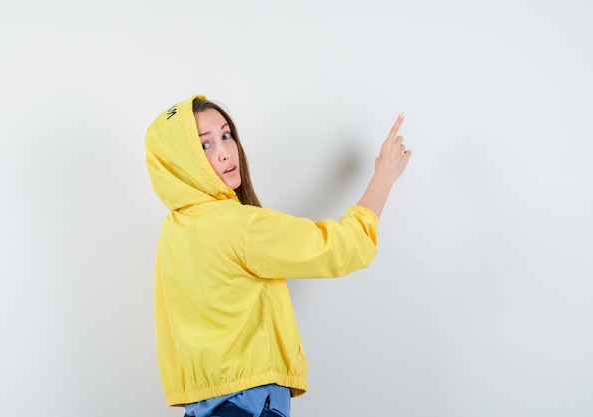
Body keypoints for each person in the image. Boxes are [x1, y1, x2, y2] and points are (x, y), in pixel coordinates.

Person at [145, 94, 412, 417]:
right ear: (179, 161)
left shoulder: (175, 229)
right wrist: (384, 176)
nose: (226, 152)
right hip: (245, 405)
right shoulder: (239, 227)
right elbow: (340, 248)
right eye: (205, 145)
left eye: (226, 136)